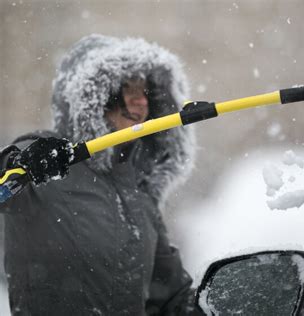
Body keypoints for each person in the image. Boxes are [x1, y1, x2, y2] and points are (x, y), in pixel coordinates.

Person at [0, 34, 202, 315]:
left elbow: (170, 300)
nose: (140, 101)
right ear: (88, 97)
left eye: (144, 90)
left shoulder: (139, 190)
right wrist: (21, 165)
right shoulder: (43, 162)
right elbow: (4, 184)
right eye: (126, 87)